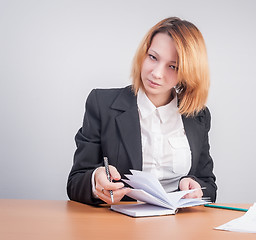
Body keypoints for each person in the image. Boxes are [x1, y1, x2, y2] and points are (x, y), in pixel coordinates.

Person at [67, 17, 217, 205]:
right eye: (153, 57)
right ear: (143, 54)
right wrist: (95, 179)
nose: (156, 73)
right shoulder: (102, 104)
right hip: (122, 225)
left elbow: (209, 185)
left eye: (173, 66)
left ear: (187, 73)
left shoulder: (198, 116)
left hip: (178, 226)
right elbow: (75, 182)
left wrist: (195, 188)